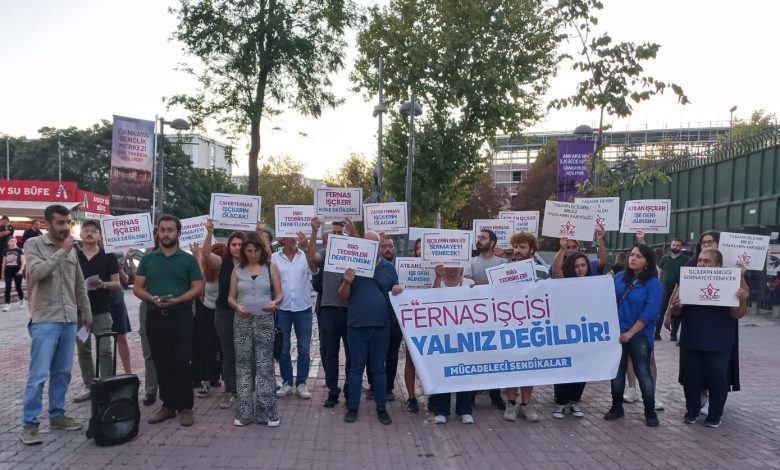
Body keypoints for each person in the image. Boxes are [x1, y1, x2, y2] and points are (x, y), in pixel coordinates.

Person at [20, 204, 92, 445]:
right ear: (47, 224)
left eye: (68, 222)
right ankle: (30, 424)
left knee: (62, 372)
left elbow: (79, 283)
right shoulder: (34, 245)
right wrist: (62, 251)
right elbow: (37, 272)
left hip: (69, 319)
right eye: (60, 223)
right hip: (45, 319)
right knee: (38, 374)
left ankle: (57, 415)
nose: (66, 227)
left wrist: (86, 313)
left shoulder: (71, 250)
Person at [133, 214, 204, 427]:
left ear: (178, 233)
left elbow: (198, 287)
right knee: (161, 361)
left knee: (182, 361)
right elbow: (137, 287)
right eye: (162, 230)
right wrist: (151, 298)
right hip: (155, 316)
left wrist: (179, 300)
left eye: (169, 230)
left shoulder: (188, 259)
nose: (165, 234)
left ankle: (185, 407)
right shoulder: (148, 259)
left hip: (181, 316)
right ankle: (167, 405)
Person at [669, 248, 749, 427]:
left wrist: (743, 299)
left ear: (718, 265)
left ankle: (715, 414)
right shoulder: (688, 280)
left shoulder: (730, 282)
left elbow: (737, 314)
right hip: (692, 337)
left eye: (707, 261)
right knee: (691, 377)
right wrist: (676, 307)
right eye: (700, 261)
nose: (702, 264)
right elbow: (676, 313)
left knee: (717, 377)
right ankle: (692, 411)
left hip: (719, 340)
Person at [339, 230, 399, 425]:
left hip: (382, 326)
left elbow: (395, 293)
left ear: (380, 246)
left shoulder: (389, 268)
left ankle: (381, 409)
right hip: (357, 326)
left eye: (375, 244)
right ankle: (353, 407)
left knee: (378, 370)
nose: (371, 247)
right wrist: (347, 282)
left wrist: (398, 291)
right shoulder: (351, 266)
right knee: (356, 369)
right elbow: (343, 295)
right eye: (366, 244)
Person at [227, 231, 283, 427]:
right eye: (248, 251)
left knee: (265, 365)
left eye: (255, 251)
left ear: (261, 250)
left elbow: (279, 295)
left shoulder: (270, 268)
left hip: (264, 319)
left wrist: (274, 303)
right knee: (243, 365)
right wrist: (236, 306)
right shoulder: (237, 270)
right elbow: (230, 297)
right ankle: (244, 412)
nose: (252, 254)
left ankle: (267, 412)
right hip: (242, 320)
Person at [604, 243, 663, 427]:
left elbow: (650, 313)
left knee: (643, 372)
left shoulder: (653, 284)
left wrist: (630, 333)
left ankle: (649, 410)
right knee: (617, 372)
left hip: (639, 335)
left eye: (638, 256)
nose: (633, 258)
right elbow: (606, 299)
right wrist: (604, 283)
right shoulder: (620, 277)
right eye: (631, 255)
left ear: (647, 262)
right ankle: (616, 407)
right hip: (617, 333)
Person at [303, 218, 350, 408]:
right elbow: (311, 258)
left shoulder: (352, 254)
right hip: (329, 309)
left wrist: (353, 229)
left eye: (341, 233)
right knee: (330, 353)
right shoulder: (324, 253)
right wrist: (314, 232)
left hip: (350, 311)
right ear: (328, 238)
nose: (337, 236)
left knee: (352, 354)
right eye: (334, 234)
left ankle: (349, 388)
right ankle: (333, 390)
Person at [502, 231, 548, 423]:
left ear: (532, 250)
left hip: (532, 326)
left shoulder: (543, 271)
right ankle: (511, 404)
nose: (518, 251)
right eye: (516, 247)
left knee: (529, 366)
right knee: (513, 366)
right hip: (510, 324)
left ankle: (526, 405)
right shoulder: (503, 268)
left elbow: (547, 296)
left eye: (522, 247)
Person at [202, 221, 249, 409]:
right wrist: (209, 233)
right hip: (224, 313)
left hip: (246, 313)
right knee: (228, 352)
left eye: (240, 244)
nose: (237, 247)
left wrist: (260, 234)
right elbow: (206, 254)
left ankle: (244, 389)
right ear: (229, 246)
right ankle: (230, 391)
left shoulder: (251, 263)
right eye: (233, 244)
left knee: (244, 353)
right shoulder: (223, 262)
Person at [73, 220, 120, 404]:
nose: (90, 234)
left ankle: (106, 385)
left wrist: (103, 284)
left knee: (105, 350)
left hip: (101, 310)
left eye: (94, 231)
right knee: (83, 350)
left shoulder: (108, 256)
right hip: (79, 312)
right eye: (86, 231)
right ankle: (89, 385)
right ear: (81, 234)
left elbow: (117, 283)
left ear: (100, 235)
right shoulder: (74, 255)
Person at [464, 229, 506, 410]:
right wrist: (491, 283)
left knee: (495, 356)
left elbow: (504, 284)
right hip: (474, 317)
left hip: (497, 317)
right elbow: (467, 283)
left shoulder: (502, 262)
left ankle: (495, 394)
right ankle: (471, 394)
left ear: (492, 243)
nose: (479, 240)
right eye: (478, 238)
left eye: (483, 238)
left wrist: (478, 284)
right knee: (474, 356)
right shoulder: (471, 261)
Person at [428, 264, 475, 424]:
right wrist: (437, 277)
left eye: (456, 263)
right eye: (449, 264)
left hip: (464, 337)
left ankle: (465, 410)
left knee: (465, 373)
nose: (452, 267)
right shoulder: (438, 282)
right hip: (442, 337)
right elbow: (432, 300)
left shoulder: (469, 284)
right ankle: (441, 410)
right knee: (443, 373)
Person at [273, 233, 315, 400]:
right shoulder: (274, 257)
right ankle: (287, 382)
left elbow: (314, 269)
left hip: (303, 307)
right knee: (283, 349)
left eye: (293, 236)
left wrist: (307, 244)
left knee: (304, 349)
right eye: (287, 236)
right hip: (283, 308)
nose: (291, 239)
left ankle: (302, 383)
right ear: (281, 239)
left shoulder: (305, 255)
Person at [552, 252, 591, 419]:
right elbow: (555, 272)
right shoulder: (564, 283)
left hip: (585, 333)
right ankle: (561, 403)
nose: (580, 269)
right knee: (564, 368)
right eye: (576, 266)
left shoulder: (594, 284)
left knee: (582, 368)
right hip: (565, 332)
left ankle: (574, 401)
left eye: (583, 265)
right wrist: (562, 249)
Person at [367, 236, 403, 402]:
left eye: (391, 246)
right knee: (372, 355)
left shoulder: (394, 267)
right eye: (384, 246)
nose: (388, 249)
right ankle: (373, 386)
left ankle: (388, 388)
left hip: (393, 319)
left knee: (391, 356)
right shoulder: (367, 265)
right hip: (374, 318)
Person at [192, 242, 226, 398]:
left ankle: (216, 378)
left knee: (222, 347)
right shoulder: (207, 272)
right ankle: (206, 379)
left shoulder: (227, 271)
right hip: (208, 312)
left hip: (219, 311)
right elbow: (201, 292)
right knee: (207, 347)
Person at [128, 246, 159, 406]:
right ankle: (151, 390)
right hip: (148, 307)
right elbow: (138, 281)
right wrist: (130, 261)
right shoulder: (148, 255)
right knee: (148, 352)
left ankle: (171, 389)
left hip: (171, 307)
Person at [657, 238, 690, 341]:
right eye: (673, 244)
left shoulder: (686, 259)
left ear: (681, 247)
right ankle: (657, 333)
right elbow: (660, 273)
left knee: (676, 312)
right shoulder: (664, 258)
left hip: (679, 289)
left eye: (677, 245)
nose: (674, 247)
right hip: (664, 289)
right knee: (660, 312)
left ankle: (673, 333)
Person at [404, 238, 423, 413]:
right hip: (413, 319)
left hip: (433, 321)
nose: (420, 251)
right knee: (411, 360)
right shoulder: (406, 268)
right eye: (418, 248)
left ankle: (433, 395)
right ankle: (411, 397)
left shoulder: (439, 270)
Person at [111, 252, 132, 374]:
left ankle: (128, 373)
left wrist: (119, 269)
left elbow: (125, 279)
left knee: (121, 337)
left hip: (116, 300)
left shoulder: (116, 255)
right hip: (96, 300)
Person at [2, 237, 25, 311]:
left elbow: (23, 261)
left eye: (14, 241)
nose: (13, 242)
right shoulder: (5, 250)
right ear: (8, 242)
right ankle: (7, 304)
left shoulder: (19, 250)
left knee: (18, 287)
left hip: (17, 270)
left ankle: (22, 299)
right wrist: (2, 272)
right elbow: (4, 262)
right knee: (8, 287)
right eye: (11, 241)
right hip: (8, 271)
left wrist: (21, 270)